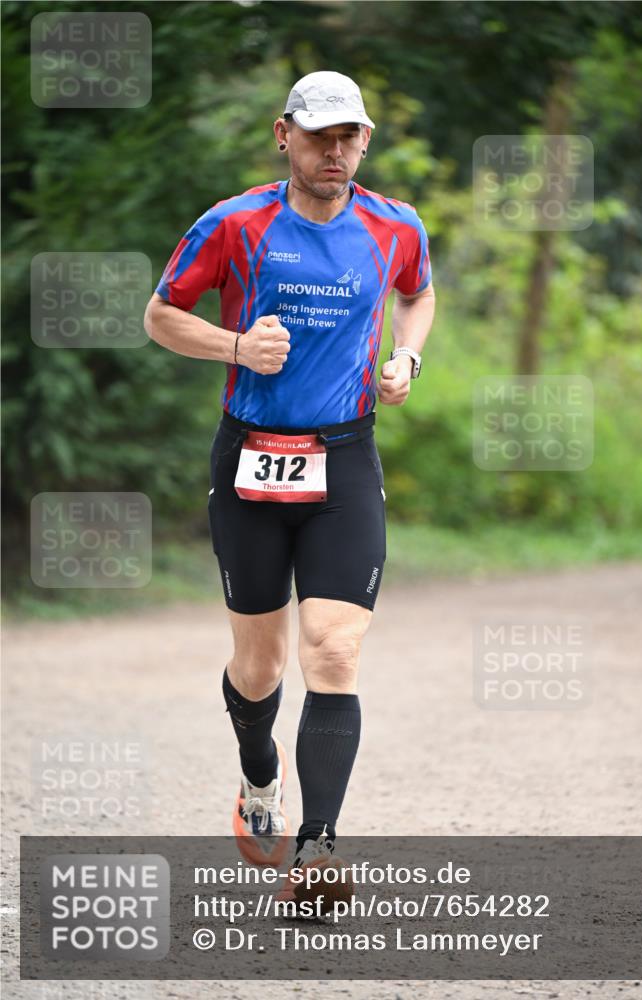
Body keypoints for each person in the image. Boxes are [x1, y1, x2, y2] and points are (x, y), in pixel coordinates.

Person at [144, 70, 435, 898]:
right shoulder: (233, 223)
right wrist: (235, 347)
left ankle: (319, 851)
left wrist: (405, 358)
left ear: (365, 141)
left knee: (334, 650)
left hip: (344, 457)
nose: (335, 151)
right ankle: (258, 776)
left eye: (349, 136)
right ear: (284, 136)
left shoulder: (394, 225)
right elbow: (160, 315)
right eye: (319, 136)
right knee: (262, 667)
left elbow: (418, 294)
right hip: (250, 458)